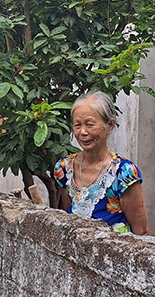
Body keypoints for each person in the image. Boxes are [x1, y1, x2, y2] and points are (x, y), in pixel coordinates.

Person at [54, 91, 149, 235]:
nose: (83, 132)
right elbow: (68, 218)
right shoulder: (64, 168)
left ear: (110, 125)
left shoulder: (124, 173)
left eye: (90, 124)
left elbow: (140, 231)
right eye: (77, 125)